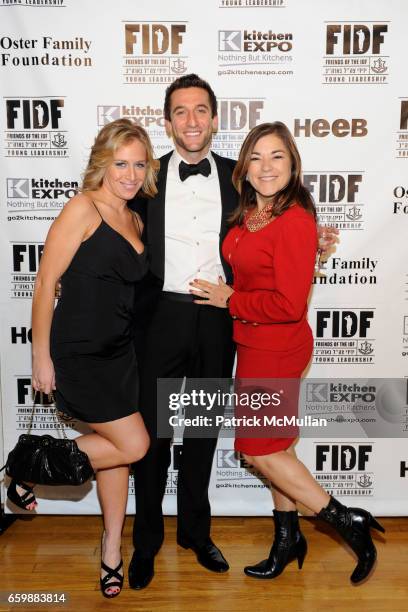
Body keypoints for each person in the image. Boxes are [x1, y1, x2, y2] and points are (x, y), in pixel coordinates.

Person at [128, 74, 338, 589]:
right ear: (168, 120)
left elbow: (280, 220)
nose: (192, 121)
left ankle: (196, 534)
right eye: (181, 111)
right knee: (153, 437)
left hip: (220, 322)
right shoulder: (146, 177)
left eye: (201, 110)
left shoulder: (239, 178)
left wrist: (317, 242)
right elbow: (109, 226)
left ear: (215, 119)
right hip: (159, 321)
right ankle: (147, 542)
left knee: (200, 435)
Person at [189, 121, 384, 584]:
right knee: (275, 446)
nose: (265, 166)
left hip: (276, 346)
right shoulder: (249, 214)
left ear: (293, 163)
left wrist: (229, 300)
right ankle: (287, 538)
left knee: (259, 450)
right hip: (253, 343)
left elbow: (289, 303)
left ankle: (344, 520)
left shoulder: (294, 218)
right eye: (255, 157)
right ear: (244, 168)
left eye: (276, 156)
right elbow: (262, 267)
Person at [9, 119, 158, 598]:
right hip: (80, 352)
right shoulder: (83, 207)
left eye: (139, 164)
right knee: (134, 445)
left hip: (121, 353)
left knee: (113, 452)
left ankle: (112, 547)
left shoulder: (136, 218)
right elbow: (44, 281)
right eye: (121, 163)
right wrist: (40, 355)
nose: (130, 174)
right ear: (102, 163)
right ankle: (26, 467)